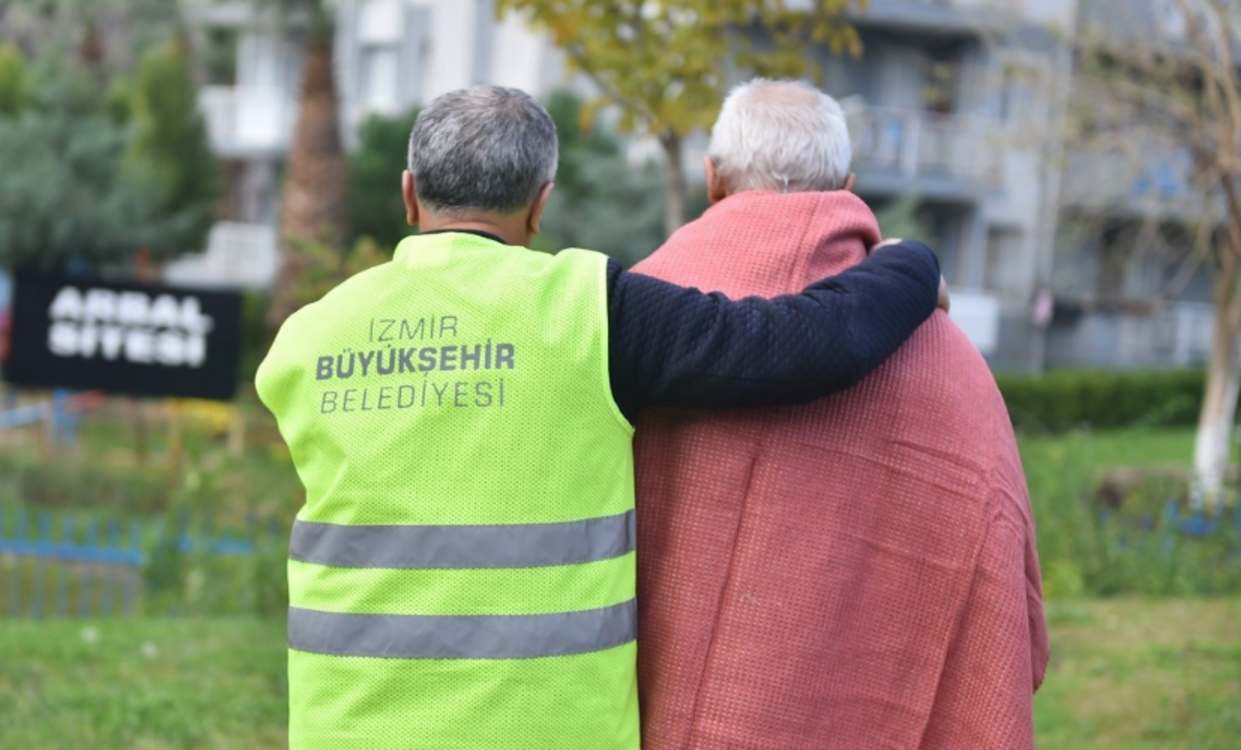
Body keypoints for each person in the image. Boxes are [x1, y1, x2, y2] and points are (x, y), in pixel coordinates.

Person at [256, 84, 945, 750]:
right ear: (540, 204)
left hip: (345, 732)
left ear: (410, 193)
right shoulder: (588, 310)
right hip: (546, 733)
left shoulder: (308, 338)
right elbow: (801, 346)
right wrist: (907, 265)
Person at [633, 79, 1048, 750]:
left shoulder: (630, 316)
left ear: (711, 179)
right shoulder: (952, 363)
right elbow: (1000, 572)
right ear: (847, 184)